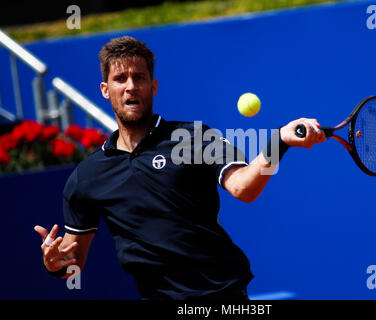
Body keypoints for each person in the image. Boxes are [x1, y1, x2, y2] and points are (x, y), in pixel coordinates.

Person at [34, 36, 325, 300]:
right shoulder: (88, 176)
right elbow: (72, 263)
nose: (131, 86)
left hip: (220, 294)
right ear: (106, 90)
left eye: (140, 77)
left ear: (154, 86)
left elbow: (245, 188)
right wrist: (54, 263)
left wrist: (279, 142)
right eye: (120, 78)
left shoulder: (195, 137)